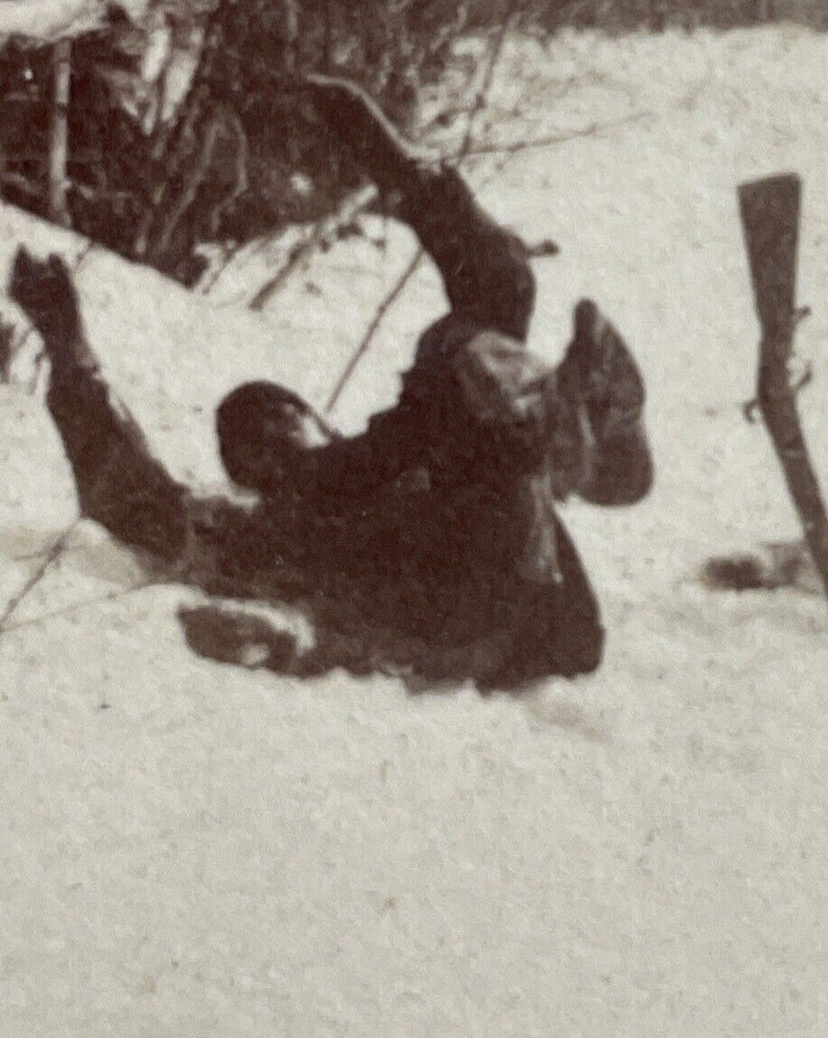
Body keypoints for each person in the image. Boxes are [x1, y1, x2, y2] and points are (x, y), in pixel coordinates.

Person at [6, 75, 653, 687]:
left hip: (506, 537)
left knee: (497, 293)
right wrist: (68, 349)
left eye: (286, 416)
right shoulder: (276, 518)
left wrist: (378, 152)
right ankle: (557, 420)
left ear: (315, 417)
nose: (284, 434)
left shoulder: (380, 452)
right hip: (476, 612)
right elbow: (129, 494)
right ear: (251, 471)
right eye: (263, 441)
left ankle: (416, 182)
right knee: (482, 397)